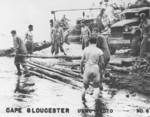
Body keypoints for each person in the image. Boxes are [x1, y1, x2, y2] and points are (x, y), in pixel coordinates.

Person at [80, 36, 105, 101]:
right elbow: (102, 62)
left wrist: (81, 69)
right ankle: (96, 102)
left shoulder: (85, 49)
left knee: (84, 87)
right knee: (96, 87)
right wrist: (102, 70)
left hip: (87, 68)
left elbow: (81, 61)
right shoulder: (99, 50)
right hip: (95, 69)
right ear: (96, 42)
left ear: (89, 42)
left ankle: (83, 101)